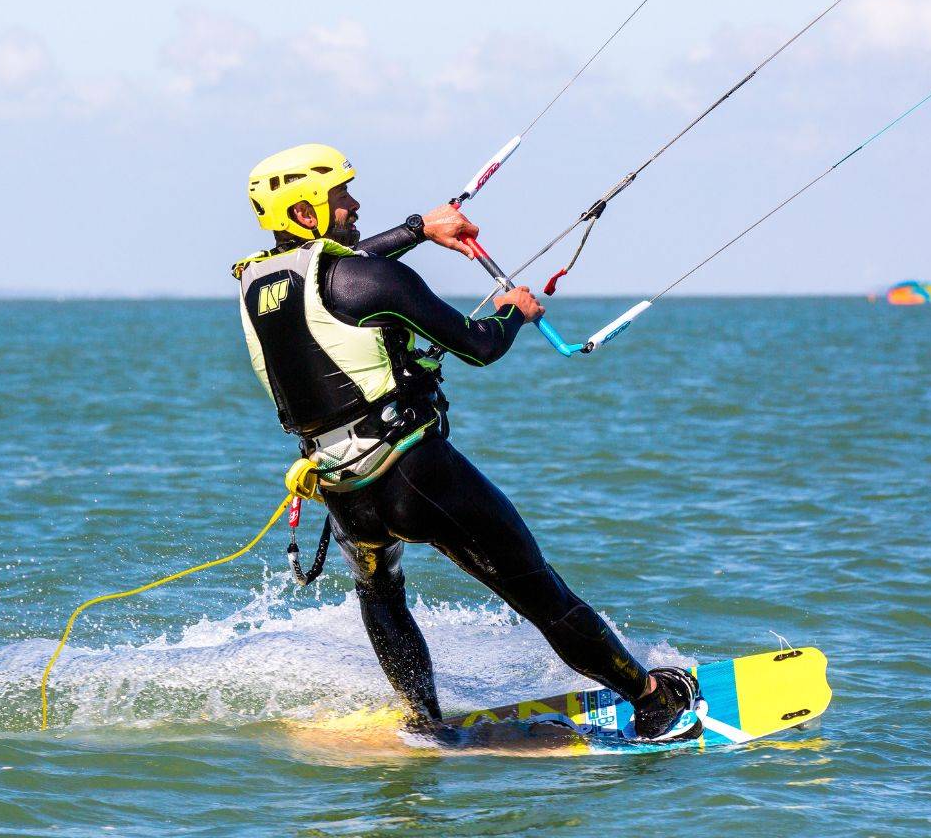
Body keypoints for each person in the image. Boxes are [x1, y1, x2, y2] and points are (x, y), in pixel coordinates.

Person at [232, 143, 699, 742]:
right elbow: (479, 345)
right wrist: (512, 312)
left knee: (383, 594)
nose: (354, 204)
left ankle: (424, 722)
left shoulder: (257, 285)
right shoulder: (371, 278)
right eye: (341, 195)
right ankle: (653, 700)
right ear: (304, 214)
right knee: (536, 588)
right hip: (417, 476)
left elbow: (335, 273)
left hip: (343, 487)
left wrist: (420, 229)